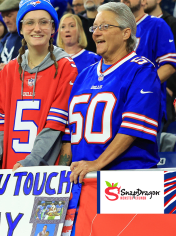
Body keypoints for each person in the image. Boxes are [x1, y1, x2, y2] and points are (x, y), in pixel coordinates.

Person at [0, 0, 78, 171]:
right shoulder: (8, 71)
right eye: (29, 22)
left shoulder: (66, 67)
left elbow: (55, 125)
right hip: (11, 172)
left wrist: (32, 161)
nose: (37, 28)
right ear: (21, 29)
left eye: (44, 22)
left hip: (44, 174)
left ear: (53, 28)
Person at [65, 2, 161, 183]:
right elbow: (68, 133)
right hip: (82, 181)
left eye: (104, 27)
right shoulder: (84, 75)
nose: (96, 32)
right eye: (95, 27)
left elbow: (132, 128)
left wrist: (97, 163)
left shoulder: (143, 71)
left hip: (127, 185)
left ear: (126, 33)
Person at [122, 0, 176, 146]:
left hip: (148, 106)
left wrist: (142, 88)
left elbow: (169, 65)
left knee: (143, 162)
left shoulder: (157, 24)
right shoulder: (117, 30)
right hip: (120, 105)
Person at [0, 0, 22, 72]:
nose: (6, 20)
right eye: (3, 17)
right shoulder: (4, 40)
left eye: (9, 16)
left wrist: (11, 69)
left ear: (21, 14)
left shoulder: (30, 40)